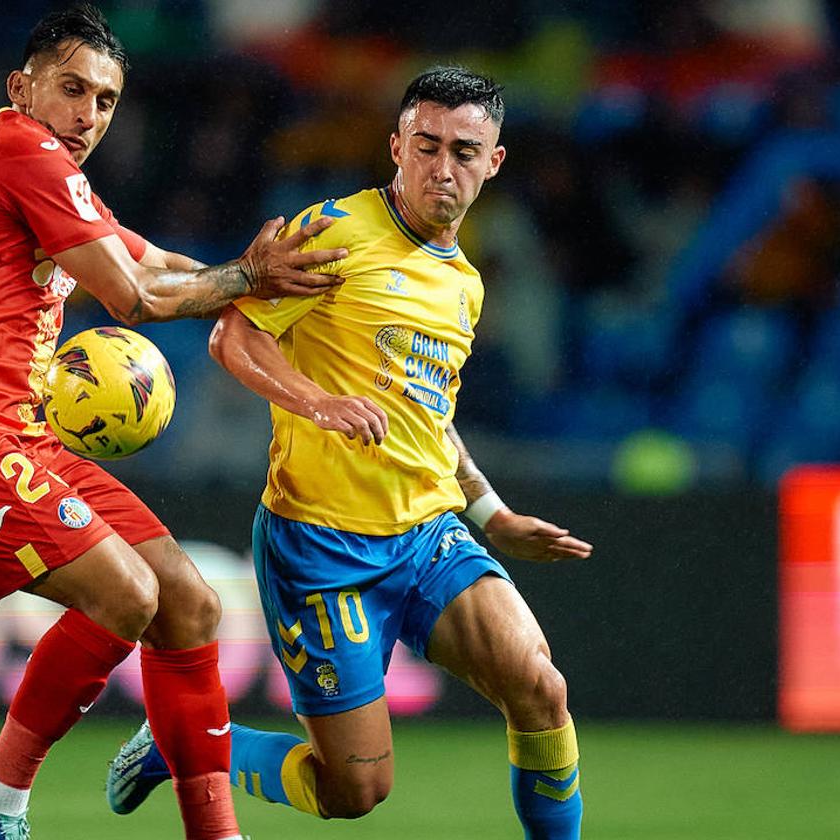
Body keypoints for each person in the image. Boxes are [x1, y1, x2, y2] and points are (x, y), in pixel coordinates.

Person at [0, 5, 347, 840]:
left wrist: (271, 288)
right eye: (71, 89)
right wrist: (247, 277)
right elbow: (133, 299)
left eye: (106, 100)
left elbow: (154, 263)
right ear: (21, 88)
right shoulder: (20, 149)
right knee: (126, 595)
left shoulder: (37, 171)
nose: (88, 114)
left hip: (16, 434)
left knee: (188, 605)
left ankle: (215, 831)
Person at [106, 66, 593, 839]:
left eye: (464, 152)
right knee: (353, 791)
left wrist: (491, 512)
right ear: (395, 145)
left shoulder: (463, 282)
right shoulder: (334, 233)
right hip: (322, 544)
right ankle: (183, 744)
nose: (443, 168)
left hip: (429, 533)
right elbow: (231, 336)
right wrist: (318, 402)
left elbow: (427, 415)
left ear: (493, 163)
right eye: (425, 145)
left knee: (540, 688)